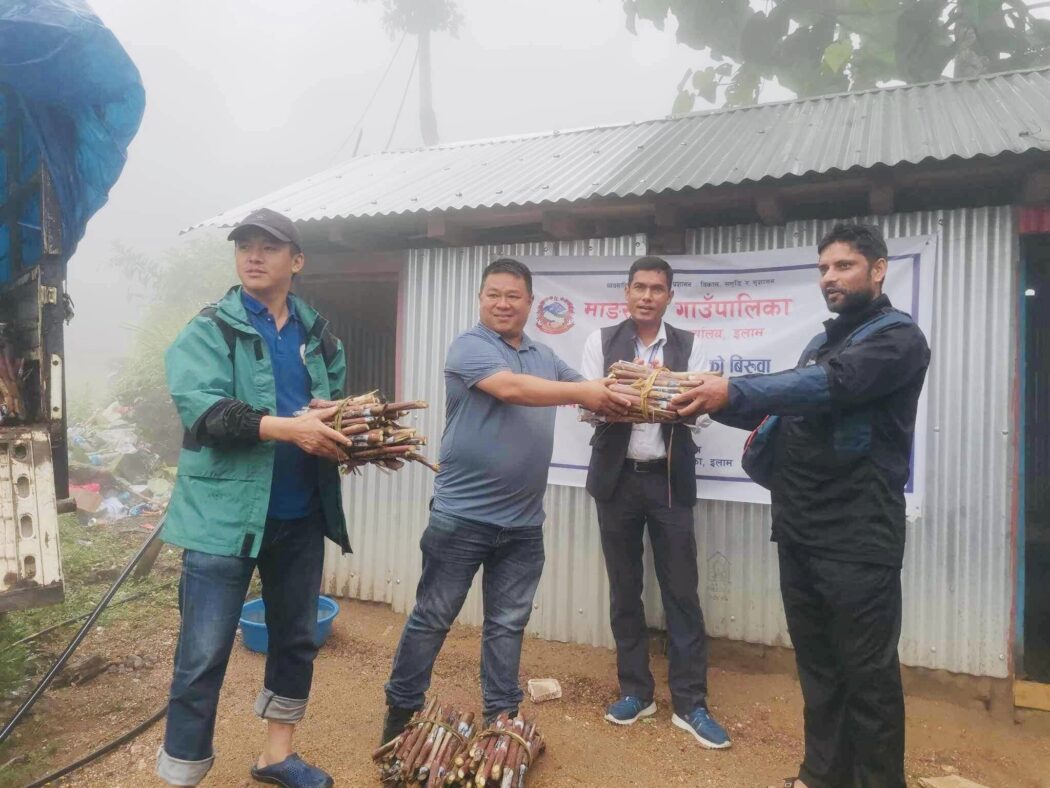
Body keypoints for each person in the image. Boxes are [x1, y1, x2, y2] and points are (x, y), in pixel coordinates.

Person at [671, 223, 931, 788]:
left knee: (867, 678)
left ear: (878, 269)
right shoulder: (821, 344)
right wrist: (699, 398)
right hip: (800, 529)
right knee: (818, 670)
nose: (829, 278)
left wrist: (731, 390)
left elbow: (832, 387)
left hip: (858, 537)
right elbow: (781, 405)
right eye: (823, 269)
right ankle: (820, 777)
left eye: (843, 266)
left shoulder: (898, 340)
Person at [380, 258, 631, 744]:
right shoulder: (469, 346)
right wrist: (586, 392)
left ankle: (501, 718)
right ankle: (401, 712)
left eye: (513, 295)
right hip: (462, 517)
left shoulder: (544, 355)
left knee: (508, 624)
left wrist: (634, 393)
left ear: (530, 303)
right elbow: (513, 389)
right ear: (480, 299)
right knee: (433, 617)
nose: (502, 303)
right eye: (493, 294)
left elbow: (583, 391)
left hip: (523, 524)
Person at [157, 208, 352, 788]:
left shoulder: (319, 337)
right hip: (222, 521)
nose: (254, 256)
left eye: (269, 246)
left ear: (297, 260)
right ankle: (182, 775)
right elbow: (207, 412)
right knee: (202, 655)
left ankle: (276, 757)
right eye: (245, 246)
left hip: (300, 514)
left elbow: (329, 407)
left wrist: (343, 426)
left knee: (295, 641)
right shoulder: (209, 330)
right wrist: (289, 428)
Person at [580, 255, 731, 750]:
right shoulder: (601, 342)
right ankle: (635, 691)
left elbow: (701, 414)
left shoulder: (690, 345)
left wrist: (658, 397)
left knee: (681, 590)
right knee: (625, 588)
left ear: (670, 296)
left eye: (657, 289)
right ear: (626, 292)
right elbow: (589, 405)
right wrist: (633, 398)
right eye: (639, 287)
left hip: (669, 481)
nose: (647, 296)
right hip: (617, 480)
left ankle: (690, 702)